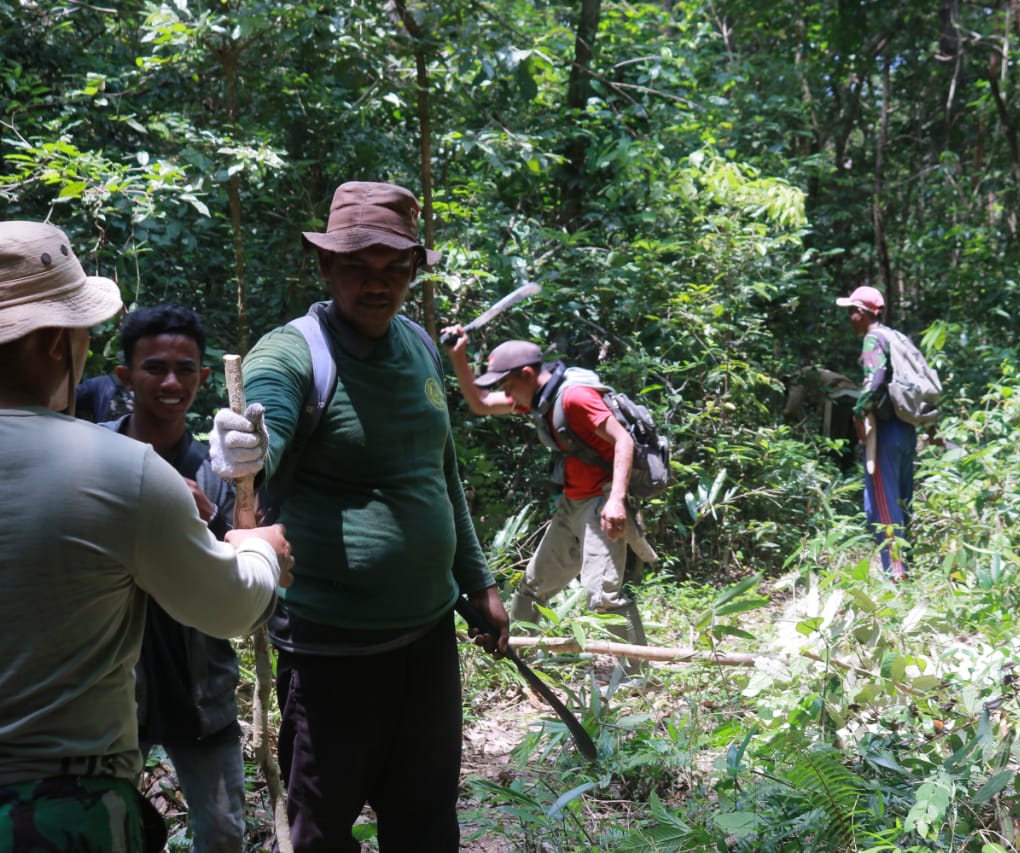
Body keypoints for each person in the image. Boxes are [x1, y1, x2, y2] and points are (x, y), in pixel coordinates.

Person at [207, 181, 509, 853]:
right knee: (321, 827)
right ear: (325, 267)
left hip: (428, 641)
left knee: (427, 822)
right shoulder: (291, 353)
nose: (378, 284)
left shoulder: (421, 348)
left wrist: (478, 582)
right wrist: (242, 446)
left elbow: (443, 472)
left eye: (394, 269)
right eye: (357, 267)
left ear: (412, 272)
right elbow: (263, 426)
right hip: (330, 652)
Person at [0, 220, 292, 853]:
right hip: (63, 804)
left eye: (185, 369)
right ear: (58, 343)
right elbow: (233, 602)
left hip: (194, 697)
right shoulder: (118, 468)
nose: (170, 383)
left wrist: (232, 503)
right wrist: (259, 549)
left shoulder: (183, 467)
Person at [100, 305, 246, 853]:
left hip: (198, 686)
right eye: (154, 368)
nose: (170, 382)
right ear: (125, 376)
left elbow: (244, 570)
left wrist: (210, 516)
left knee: (225, 833)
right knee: (107, 831)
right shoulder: (93, 455)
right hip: (108, 690)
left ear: (205, 378)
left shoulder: (220, 469)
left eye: (186, 370)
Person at [443, 333, 655, 680]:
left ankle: (638, 675)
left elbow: (623, 440)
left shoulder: (575, 398)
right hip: (571, 504)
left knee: (602, 596)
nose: (506, 394)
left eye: (507, 384)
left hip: (599, 503)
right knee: (532, 587)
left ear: (527, 374)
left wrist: (616, 499)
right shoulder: (542, 399)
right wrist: (459, 357)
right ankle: (524, 666)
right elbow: (481, 403)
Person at [837, 284, 915, 581]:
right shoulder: (897, 337)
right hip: (906, 429)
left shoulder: (873, 339)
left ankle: (896, 574)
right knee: (901, 501)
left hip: (885, 430)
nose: (849, 319)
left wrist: (858, 414)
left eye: (851, 312)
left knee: (881, 506)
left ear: (862, 313)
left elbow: (875, 379)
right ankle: (906, 567)